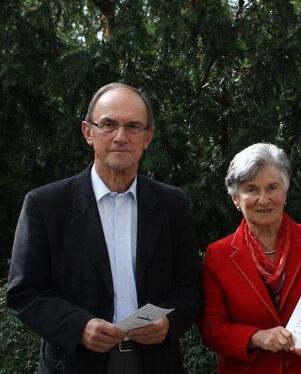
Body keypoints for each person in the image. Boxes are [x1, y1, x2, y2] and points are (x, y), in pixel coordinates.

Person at [7, 82, 203, 373]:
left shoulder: (172, 205)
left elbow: (191, 288)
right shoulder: (46, 205)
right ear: (88, 131)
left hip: (154, 362)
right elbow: (24, 293)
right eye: (109, 124)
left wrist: (168, 323)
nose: (120, 137)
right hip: (76, 362)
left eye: (133, 127)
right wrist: (79, 326)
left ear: (147, 137)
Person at [197, 143, 301, 373]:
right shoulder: (218, 255)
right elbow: (211, 327)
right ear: (235, 199)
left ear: (285, 193)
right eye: (251, 189)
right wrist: (256, 337)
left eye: (272, 187)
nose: (263, 199)